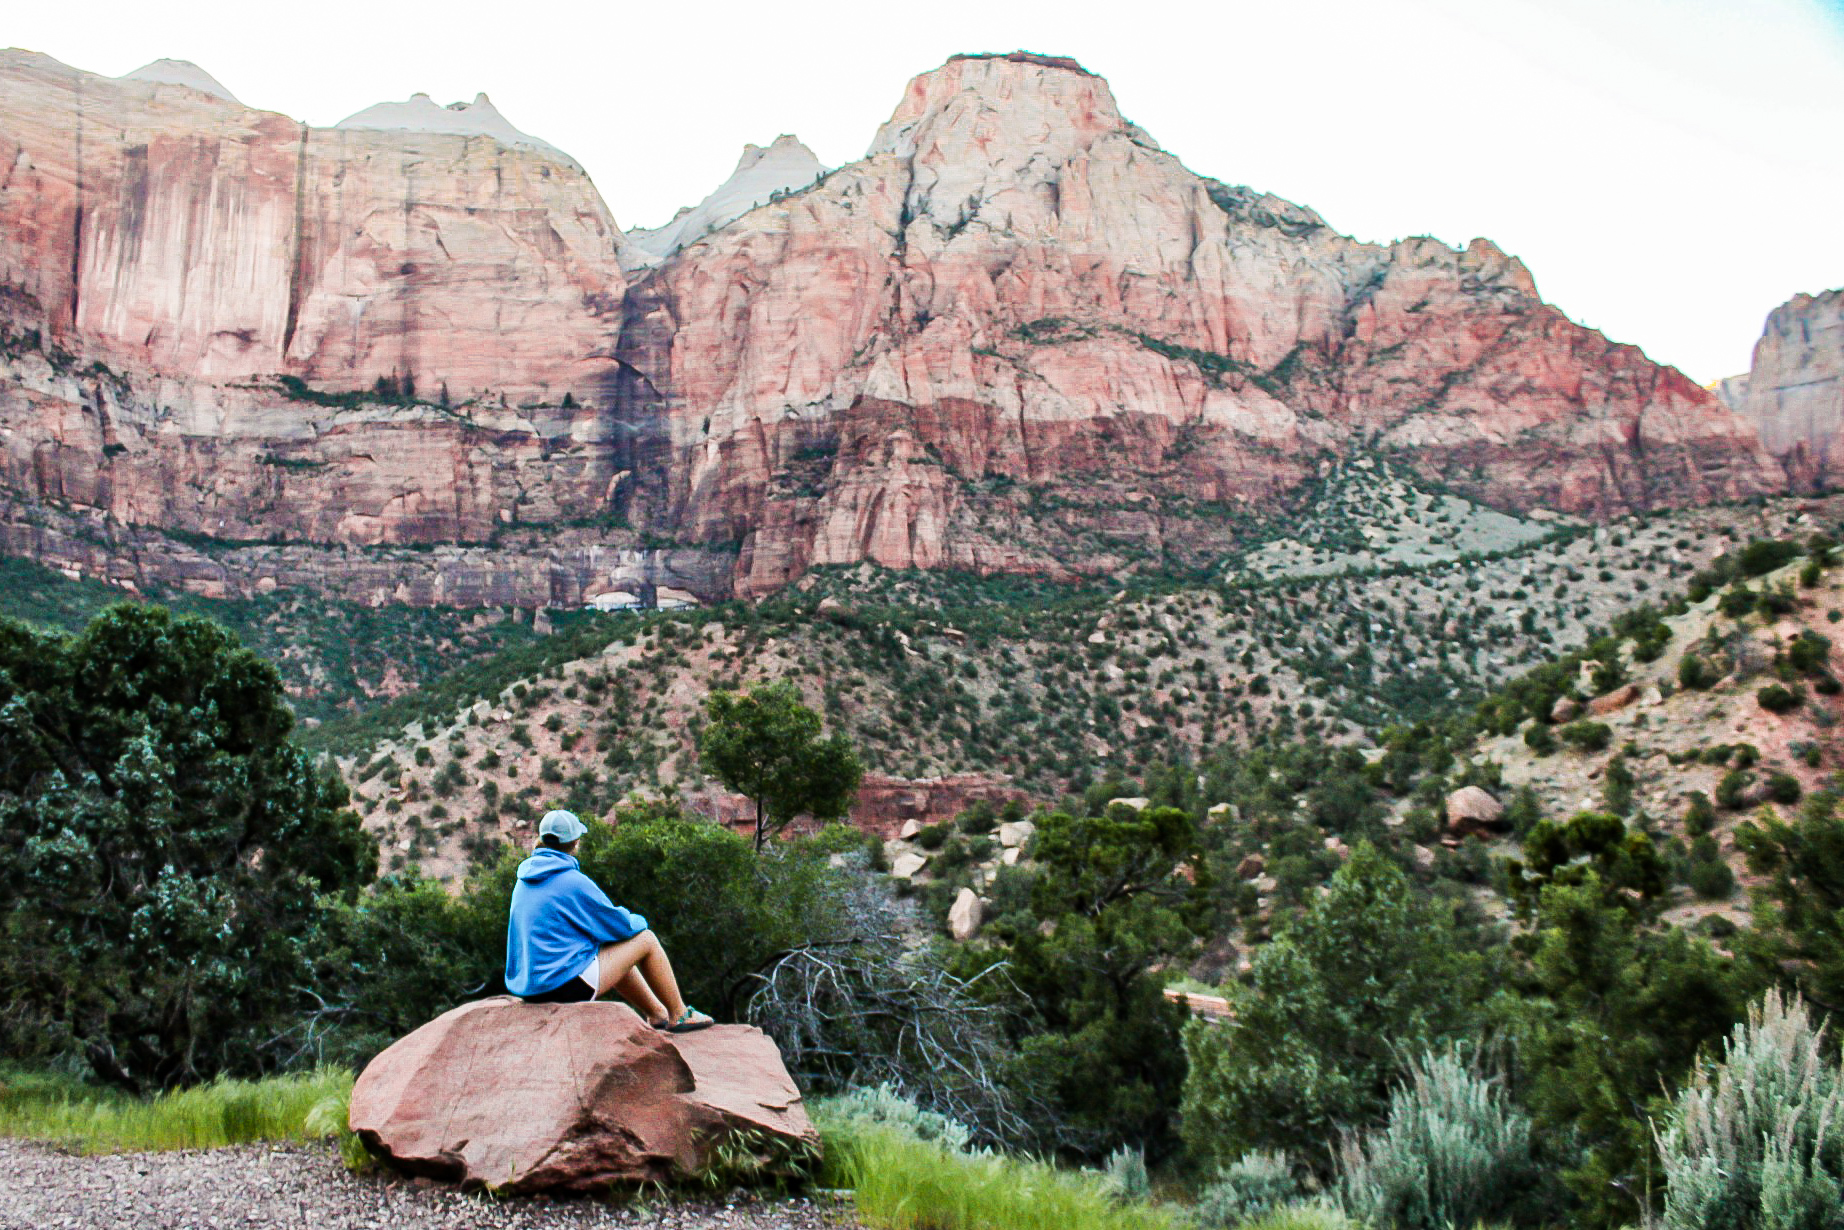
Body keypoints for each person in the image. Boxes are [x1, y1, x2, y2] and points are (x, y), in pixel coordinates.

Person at [504, 809, 713, 1032]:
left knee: (613, 952)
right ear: (575, 842)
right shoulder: (572, 881)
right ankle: (679, 1014)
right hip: (562, 988)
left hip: (531, 989)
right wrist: (639, 921)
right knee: (646, 940)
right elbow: (619, 926)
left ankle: (657, 1014)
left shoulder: (523, 881)